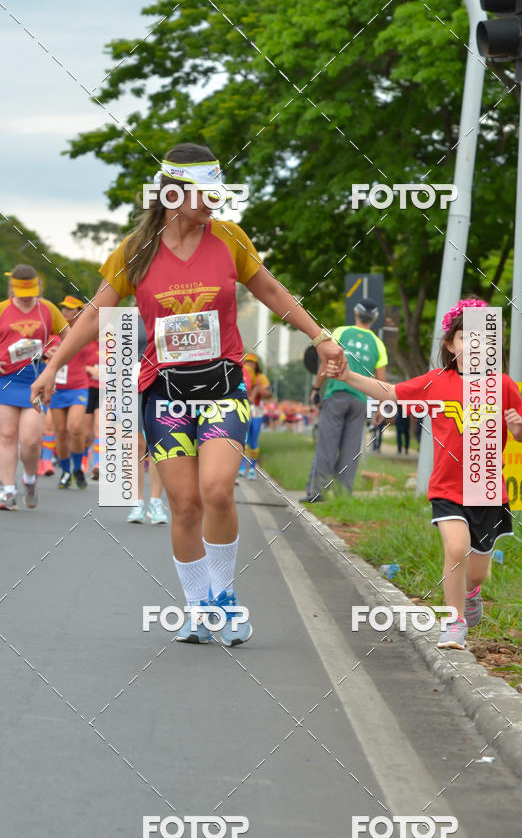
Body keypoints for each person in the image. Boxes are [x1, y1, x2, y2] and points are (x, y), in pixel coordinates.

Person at [31, 142, 345, 647]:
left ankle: (224, 598)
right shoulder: (137, 251)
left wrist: (319, 334)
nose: (214, 203)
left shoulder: (229, 239)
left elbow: (271, 291)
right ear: (172, 192)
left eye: (219, 194)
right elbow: (95, 313)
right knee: (184, 505)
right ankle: (198, 607)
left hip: (222, 385)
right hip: (165, 393)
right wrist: (53, 366)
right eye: (205, 194)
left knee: (217, 489)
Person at [325, 298, 522, 649]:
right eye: (466, 337)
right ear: (452, 344)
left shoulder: (503, 385)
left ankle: (472, 592)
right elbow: (390, 391)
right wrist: (347, 376)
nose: (474, 345)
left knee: (477, 570)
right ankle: (454, 623)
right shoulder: (436, 382)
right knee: (456, 547)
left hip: (488, 491)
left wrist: (517, 428)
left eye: (482, 338)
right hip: (447, 488)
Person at [303, 298, 387, 503]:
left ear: (356, 314)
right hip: (359, 401)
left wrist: (316, 388)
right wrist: (382, 408)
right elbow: (382, 383)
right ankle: (343, 496)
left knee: (327, 446)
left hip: (337, 394)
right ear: (374, 318)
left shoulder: (340, 332)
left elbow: (326, 362)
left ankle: (316, 493)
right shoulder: (378, 343)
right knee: (351, 450)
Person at [0, 265, 67, 509]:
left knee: (30, 440)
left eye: (31, 290)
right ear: (12, 287)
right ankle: (7, 490)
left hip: (36, 379)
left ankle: (29, 479)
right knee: (6, 436)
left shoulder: (47, 309)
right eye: (21, 291)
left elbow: (69, 336)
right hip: (6, 380)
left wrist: (56, 353)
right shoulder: (2, 310)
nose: (27, 296)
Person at [128, 312, 169, 524]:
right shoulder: (131, 318)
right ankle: (137, 503)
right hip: (134, 386)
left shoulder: (169, 312)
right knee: (137, 445)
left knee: (157, 445)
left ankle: (155, 503)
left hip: (162, 385)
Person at [48, 296, 92, 490]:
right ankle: (66, 471)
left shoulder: (85, 333)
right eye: (63, 307)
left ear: (78, 312)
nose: (65, 311)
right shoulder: (53, 333)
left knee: (75, 427)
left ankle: (78, 468)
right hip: (57, 388)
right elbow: (41, 354)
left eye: (70, 308)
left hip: (78, 386)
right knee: (61, 432)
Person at [238, 353, 271, 480]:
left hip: (257, 410)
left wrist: (257, 388)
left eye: (252, 362)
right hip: (245, 409)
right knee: (243, 440)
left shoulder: (261, 377)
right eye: (247, 362)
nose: (250, 365)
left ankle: (252, 469)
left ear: (256, 365)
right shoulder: (240, 374)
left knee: (253, 441)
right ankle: (241, 467)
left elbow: (268, 393)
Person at [82, 336, 100, 479]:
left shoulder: (116, 347)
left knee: (100, 427)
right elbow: (77, 364)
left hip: (106, 391)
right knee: (87, 432)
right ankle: (84, 460)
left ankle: (98, 465)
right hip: (88, 389)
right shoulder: (88, 345)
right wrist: (89, 369)